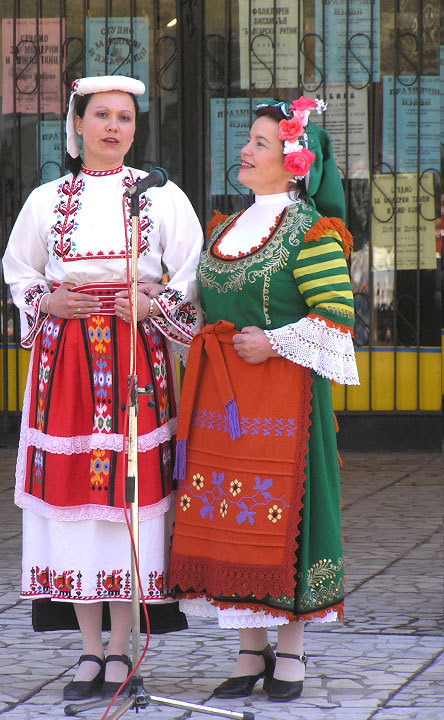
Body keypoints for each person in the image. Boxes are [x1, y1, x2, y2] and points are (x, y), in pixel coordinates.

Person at [2, 75, 203, 701]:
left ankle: (123, 648)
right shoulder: (45, 199)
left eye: (124, 117)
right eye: (101, 115)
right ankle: (88, 650)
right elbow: (19, 269)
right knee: (70, 503)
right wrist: (47, 299)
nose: (113, 127)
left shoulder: (160, 197)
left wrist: (153, 302)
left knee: (128, 501)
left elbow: (195, 270)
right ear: (78, 125)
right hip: (64, 367)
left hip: (133, 364)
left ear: (135, 128)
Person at [167, 96, 359, 703]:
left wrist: (273, 342)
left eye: (260, 143)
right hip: (222, 402)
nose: (245, 151)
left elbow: (337, 321)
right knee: (233, 519)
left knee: (285, 518)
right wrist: (154, 304)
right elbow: (199, 310)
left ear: (295, 161)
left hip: (286, 401)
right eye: (248, 140)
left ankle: (292, 650)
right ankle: (251, 648)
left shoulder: (312, 232)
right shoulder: (225, 226)